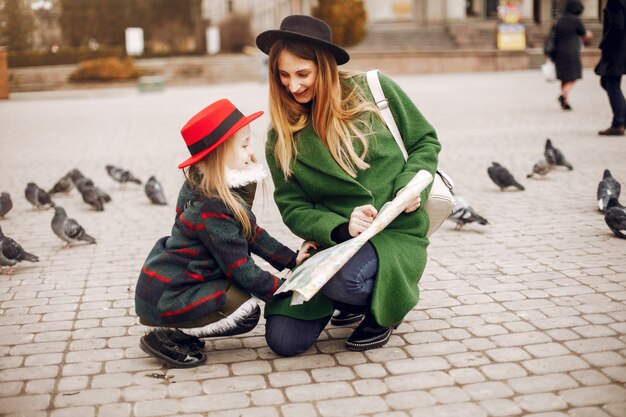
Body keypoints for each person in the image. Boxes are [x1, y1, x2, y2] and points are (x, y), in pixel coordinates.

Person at [255, 15, 441, 356]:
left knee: (345, 280)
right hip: (335, 243)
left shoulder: (374, 89)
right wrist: (340, 228)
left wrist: (411, 188)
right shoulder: (280, 136)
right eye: (283, 75)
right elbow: (293, 207)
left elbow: (425, 143)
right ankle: (353, 297)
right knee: (284, 341)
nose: (292, 86)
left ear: (323, 68)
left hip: (395, 231)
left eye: (302, 74)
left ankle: (383, 308)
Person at [134, 98, 313, 368]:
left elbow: (249, 231)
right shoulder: (213, 206)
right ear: (218, 155)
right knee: (247, 311)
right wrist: (281, 289)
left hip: (178, 281)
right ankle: (168, 334)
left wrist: (291, 260)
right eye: (243, 146)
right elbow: (240, 266)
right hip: (170, 293)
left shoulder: (208, 184)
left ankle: (182, 327)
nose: (251, 152)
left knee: (241, 292)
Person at [552, 0, 592, 111]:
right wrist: (589, 35)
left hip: (559, 52)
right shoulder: (576, 21)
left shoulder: (559, 20)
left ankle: (565, 100)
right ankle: (564, 94)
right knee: (574, 76)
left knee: (564, 77)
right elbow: (584, 34)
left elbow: (554, 37)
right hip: (572, 52)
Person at [596, 0, 626, 136]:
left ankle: (619, 122)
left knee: (610, 81)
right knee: (608, 81)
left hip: (616, 48)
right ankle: (620, 119)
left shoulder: (615, 1)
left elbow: (617, 26)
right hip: (621, 47)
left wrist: (604, 43)